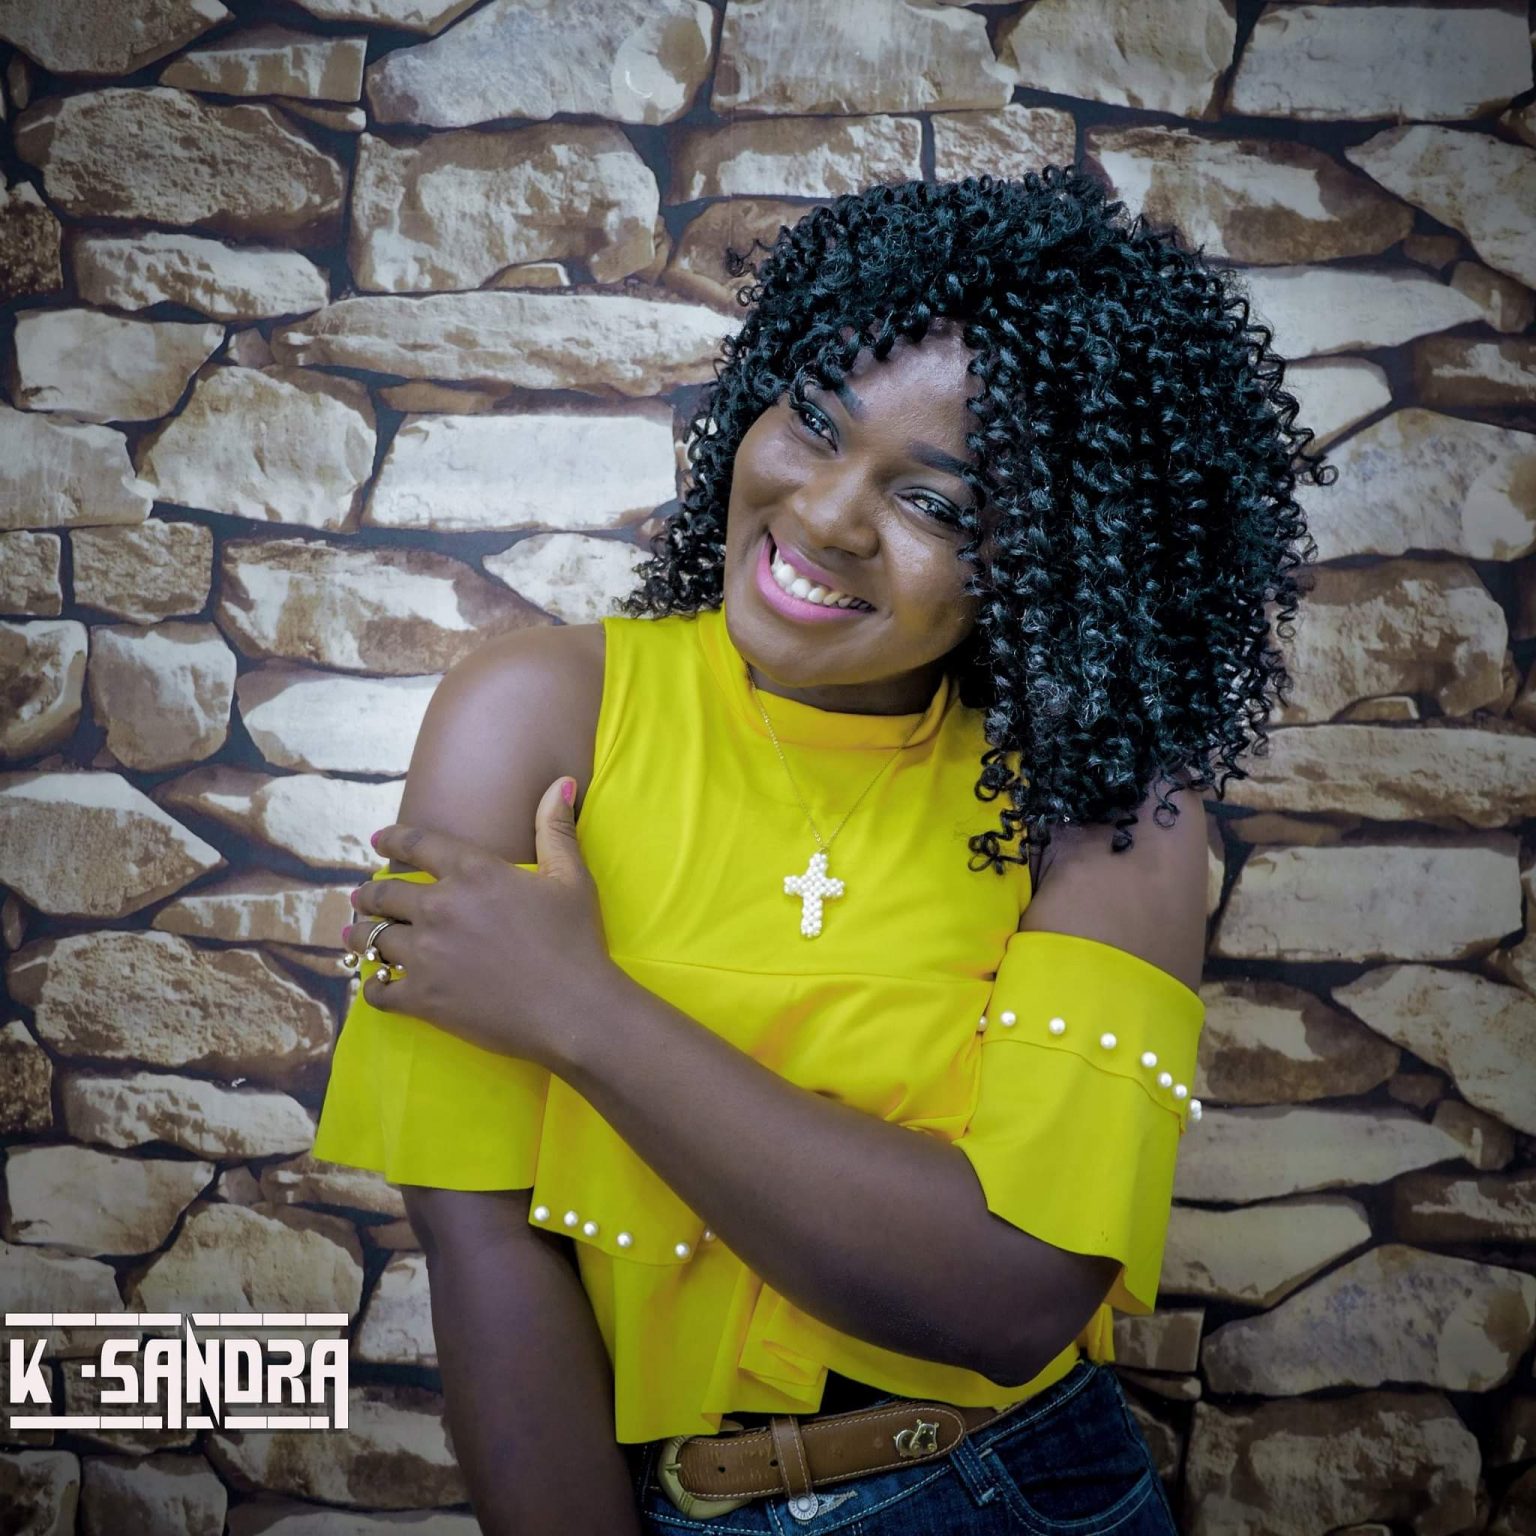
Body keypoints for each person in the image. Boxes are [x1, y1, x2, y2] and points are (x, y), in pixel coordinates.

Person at [312, 168, 1330, 1534]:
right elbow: (480, 1240)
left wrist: (578, 1009)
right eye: (815, 422)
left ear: (1061, 557)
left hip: (1019, 1494)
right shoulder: (536, 719)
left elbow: (1013, 1296)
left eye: (940, 506)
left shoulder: (1105, 809)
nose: (830, 515)